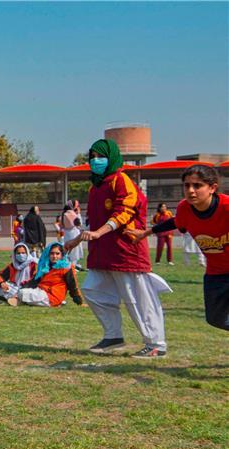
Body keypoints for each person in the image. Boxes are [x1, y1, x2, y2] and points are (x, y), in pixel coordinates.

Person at [64, 139, 170, 358]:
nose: (95, 161)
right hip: (102, 252)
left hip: (125, 250)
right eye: (92, 157)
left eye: (99, 156)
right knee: (93, 291)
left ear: (111, 157)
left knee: (136, 298)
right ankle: (113, 335)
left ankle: (155, 343)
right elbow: (94, 222)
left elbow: (124, 212)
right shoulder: (96, 187)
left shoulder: (121, 180)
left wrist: (99, 233)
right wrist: (76, 240)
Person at [128, 165, 227, 330]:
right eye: (187, 185)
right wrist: (147, 232)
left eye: (197, 185)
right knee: (215, 319)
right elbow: (176, 221)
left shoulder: (226, 207)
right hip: (216, 274)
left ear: (212, 188)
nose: (191, 190)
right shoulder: (185, 209)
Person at [7, 242, 83, 308]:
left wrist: (79, 301)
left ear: (62, 255)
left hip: (53, 296)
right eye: (52, 253)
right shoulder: (45, 266)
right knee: (21, 291)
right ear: (48, 254)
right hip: (41, 291)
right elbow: (34, 281)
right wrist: (19, 291)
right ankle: (22, 299)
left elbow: (73, 286)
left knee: (23, 293)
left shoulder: (66, 267)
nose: (54, 256)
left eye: (57, 254)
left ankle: (22, 300)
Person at [61, 199, 84, 269]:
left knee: (68, 252)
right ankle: (71, 268)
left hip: (67, 234)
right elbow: (79, 224)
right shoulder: (71, 213)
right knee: (74, 253)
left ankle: (70, 267)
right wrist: (78, 214)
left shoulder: (64, 213)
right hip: (73, 234)